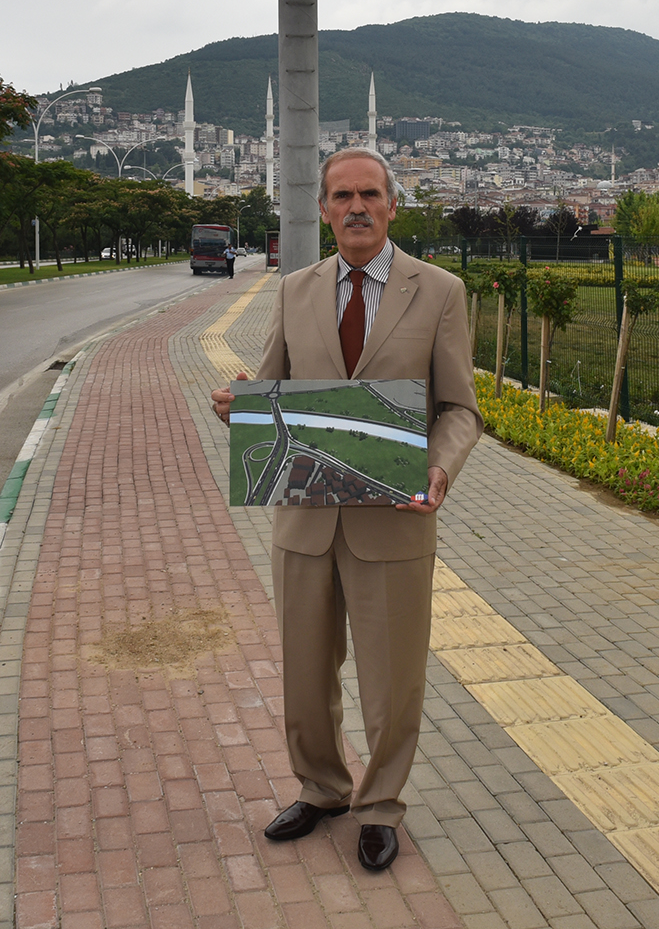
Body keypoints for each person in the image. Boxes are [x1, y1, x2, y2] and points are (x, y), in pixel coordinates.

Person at [210, 147, 480, 872]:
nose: (356, 207)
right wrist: (240, 406)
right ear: (324, 209)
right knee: (305, 673)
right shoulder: (294, 290)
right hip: (305, 516)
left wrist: (440, 465)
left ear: (392, 204)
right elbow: (273, 386)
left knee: (392, 680)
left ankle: (380, 804)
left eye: (369, 194)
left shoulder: (440, 291)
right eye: (342, 196)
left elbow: (460, 408)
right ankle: (322, 788)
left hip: (393, 517)